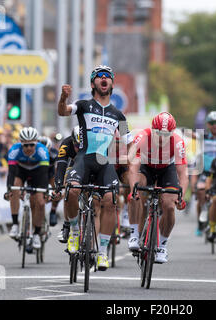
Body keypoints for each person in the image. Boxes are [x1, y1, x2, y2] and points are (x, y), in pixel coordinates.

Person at [57, 65, 133, 271]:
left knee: (110, 200)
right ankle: (73, 233)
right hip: (83, 158)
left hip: (104, 163)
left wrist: (128, 160)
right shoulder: (83, 105)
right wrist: (63, 97)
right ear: (93, 84)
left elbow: (129, 141)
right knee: (71, 190)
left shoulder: (119, 115)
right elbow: (63, 111)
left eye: (107, 76)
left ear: (111, 84)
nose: (104, 78)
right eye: (99, 76)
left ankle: (103, 252)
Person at [127, 112, 188, 264]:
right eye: (158, 133)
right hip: (146, 167)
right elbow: (133, 167)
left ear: (172, 133)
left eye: (166, 134)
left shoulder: (178, 142)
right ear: (152, 129)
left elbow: (183, 174)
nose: (162, 137)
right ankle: (134, 233)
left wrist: (181, 198)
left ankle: (162, 245)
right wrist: (132, 191)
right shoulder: (142, 136)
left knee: (169, 206)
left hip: (167, 170)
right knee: (137, 189)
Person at [4, 127, 50, 250]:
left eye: (31, 145)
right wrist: (9, 189)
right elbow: (11, 172)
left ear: (36, 143)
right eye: (26, 145)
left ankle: (36, 234)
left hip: (37, 173)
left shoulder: (42, 151)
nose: (29, 148)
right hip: (21, 171)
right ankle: (14, 224)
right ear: (21, 144)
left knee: (40, 203)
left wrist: (44, 191)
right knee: (14, 189)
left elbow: (44, 174)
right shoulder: (14, 150)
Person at [193, 111, 216, 236]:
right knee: (200, 191)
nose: (215, 125)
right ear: (207, 124)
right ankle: (201, 219)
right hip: (206, 172)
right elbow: (191, 135)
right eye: (212, 123)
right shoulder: (203, 136)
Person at [38, 135, 59, 226]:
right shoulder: (31, 152)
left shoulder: (55, 154)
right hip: (37, 174)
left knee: (58, 190)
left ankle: (53, 210)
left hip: (50, 174)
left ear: (50, 149)